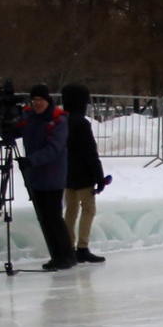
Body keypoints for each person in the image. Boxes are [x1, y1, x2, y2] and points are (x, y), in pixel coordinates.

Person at [9, 85, 80, 271]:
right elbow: (12, 133)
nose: (37, 103)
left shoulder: (58, 120)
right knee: (44, 218)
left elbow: (54, 149)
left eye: (41, 100)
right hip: (35, 176)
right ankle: (57, 255)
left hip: (53, 176)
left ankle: (67, 255)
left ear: (47, 101)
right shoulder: (29, 118)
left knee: (54, 217)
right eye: (34, 100)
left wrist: (31, 161)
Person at [61, 82, 109, 264]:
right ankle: (82, 247)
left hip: (67, 174)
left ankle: (68, 247)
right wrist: (99, 176)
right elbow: (90, 152)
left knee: (71, 210)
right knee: (88, 209)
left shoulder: (61, 120)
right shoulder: (81, 123)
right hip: (83, 175)